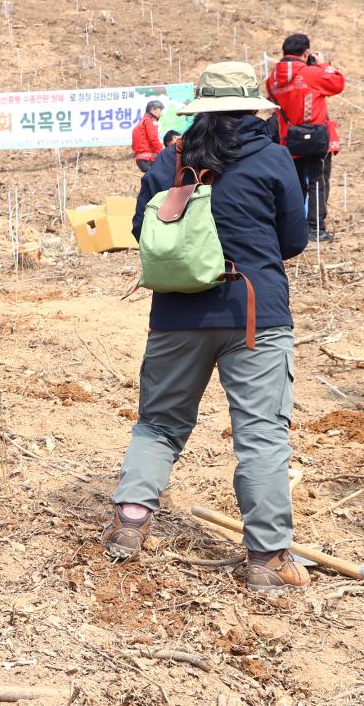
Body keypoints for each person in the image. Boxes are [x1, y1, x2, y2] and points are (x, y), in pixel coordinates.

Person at [103, 62, 310, 593]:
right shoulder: (273, 158)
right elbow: (293, 239)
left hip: (177, 316)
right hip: (254, 314)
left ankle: (129, 524)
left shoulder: (169, 161)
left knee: (158, 424)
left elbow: (140, 231)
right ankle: (266, 560)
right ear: (250, 109)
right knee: (262, 437)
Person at [265, 33, 345, 243]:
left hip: (289, 139)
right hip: (316, 138)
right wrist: (323, 64)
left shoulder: (272, 78)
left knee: (295, 184)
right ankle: (315, 228)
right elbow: (337, 83)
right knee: (317, 182)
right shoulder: (311, 73)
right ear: (306, 52)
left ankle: (293, 228)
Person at [131, 100, 164, 172]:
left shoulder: (141, 122)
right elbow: (153, 139)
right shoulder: (150, 121)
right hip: (149, 158)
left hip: (141, 158)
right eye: (160, 110)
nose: (161, 114)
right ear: (153, 109)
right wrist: (163, 152)